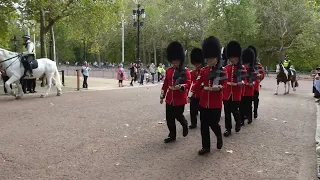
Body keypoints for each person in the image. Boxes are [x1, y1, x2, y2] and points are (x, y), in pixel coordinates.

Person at [189, 36, 227, 155]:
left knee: (213, 123)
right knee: (204, 125)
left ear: (217, 58)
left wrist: (219, 87)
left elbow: (224, 83)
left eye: (212, 58)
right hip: (204, 101)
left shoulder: (222, 71)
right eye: (209, 58)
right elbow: (197, 83)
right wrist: (190, 94)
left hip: (215, 102)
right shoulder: (204, 70)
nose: (210, 60)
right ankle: (206, 147)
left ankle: (218, 135)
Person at [160, 41, 191, 143]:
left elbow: (188, 83)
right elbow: (165, 84)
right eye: (173, 61)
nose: (174, 63)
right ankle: (172, 135)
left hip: (179, 98)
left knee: (178, 115)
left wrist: (181, 86)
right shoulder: (169, 71)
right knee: (169, 118)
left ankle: (184, 123)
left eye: (176, 61)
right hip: (170, 98)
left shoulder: (185, 71)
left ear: (180, 60)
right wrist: (162, 95)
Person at [223, 41, 247, 137]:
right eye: (231, 57)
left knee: (234, 110)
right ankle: (228, 129)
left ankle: (238, 122)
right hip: (227, 92)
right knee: (227, 112)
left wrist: (242, 82)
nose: (232, 59)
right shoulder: (226, 68)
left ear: (237, 57)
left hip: (236, 92)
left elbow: (245, 79)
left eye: (234, 57)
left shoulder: (242, 68)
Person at [240, 48, 257, 125]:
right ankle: (241, 119)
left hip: (249, 91)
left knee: (248, 105)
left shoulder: (252, 70)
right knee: (241, 106)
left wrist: (251, 83)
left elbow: (254, 80)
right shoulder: (241, 69)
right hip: (242, 91)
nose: (246, 64)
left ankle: (249, 117)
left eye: (247, 63)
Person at [188, 48, 204, 129]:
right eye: (195, 63)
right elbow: (189, 83)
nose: (196, 65)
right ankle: (193, 123)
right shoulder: (193, 72)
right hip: (194, 94)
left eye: (198, 63)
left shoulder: (204, 71)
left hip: (202, 94)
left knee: (203, 111)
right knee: (192, 110)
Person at [248, 45, 265, 119]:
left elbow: (262, 74)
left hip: (255, 86)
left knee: (255, 100)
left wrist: (259, 78)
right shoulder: (245, 65)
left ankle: (255, 111)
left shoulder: (258, 65)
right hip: (247, 86)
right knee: (247, 102)